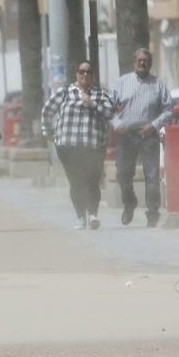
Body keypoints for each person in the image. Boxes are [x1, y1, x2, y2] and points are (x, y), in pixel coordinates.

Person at [42, 61, 116, 230]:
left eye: (88, 72)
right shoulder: (65, 92)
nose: (85, 75)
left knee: (92, 180)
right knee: (76, 182)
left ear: (93, 76)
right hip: (69, 146)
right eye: (81, 71)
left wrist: (92, 104)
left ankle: (93, 214)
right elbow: (47, 111)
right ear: (76, 74)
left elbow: (110, 113)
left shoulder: (101, 94)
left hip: (93, 146)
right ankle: (80, 216)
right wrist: (48, 132)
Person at [110, 48, 175, 228]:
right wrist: (117, 124)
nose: (142, 63)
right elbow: (108, 108)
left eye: (146, 61)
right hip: (126, 135)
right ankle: (129, 202)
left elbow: (169, 110)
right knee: (123, 174)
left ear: (150, 64)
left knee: (152, 176)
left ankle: (153, 214)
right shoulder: (122, 83)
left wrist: (154, 125)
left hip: (149, 135)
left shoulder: (158, 85)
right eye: (139, 60)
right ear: (134, 63)